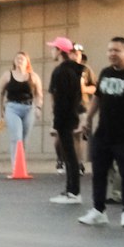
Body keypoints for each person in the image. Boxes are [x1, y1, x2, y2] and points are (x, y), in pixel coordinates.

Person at [78, 37, 124, 228]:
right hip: (103, 133)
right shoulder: (105, 72)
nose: (112, 54)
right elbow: (97, 98)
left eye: (116, 50)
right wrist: (88, 118)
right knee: (99, 173)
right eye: (109, 50)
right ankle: (98, 211)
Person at [47, 39, 83, 203]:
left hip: (64, 116)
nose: (51, 52)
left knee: (68, 154)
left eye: (53, 48)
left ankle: (73, 191)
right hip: (72, 115)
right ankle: (71, 190)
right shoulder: (75, 70)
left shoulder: (60, 71)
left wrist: (56, 119)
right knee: (69, 154)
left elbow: (57, 98)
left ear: (59, 50)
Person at [0, 51, 42, 169]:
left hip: (28, 108)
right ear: (14, 61)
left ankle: (21, 165)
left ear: (27, 61)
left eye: (22, 58)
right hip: (12, 108)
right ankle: (15, 166)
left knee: (23, 138)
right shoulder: (7, 75)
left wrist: (38, 107)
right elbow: (0, 93)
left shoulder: (33, 76)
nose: (19, 60)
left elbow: (39, 94)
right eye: (17, 58)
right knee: (16, 136)